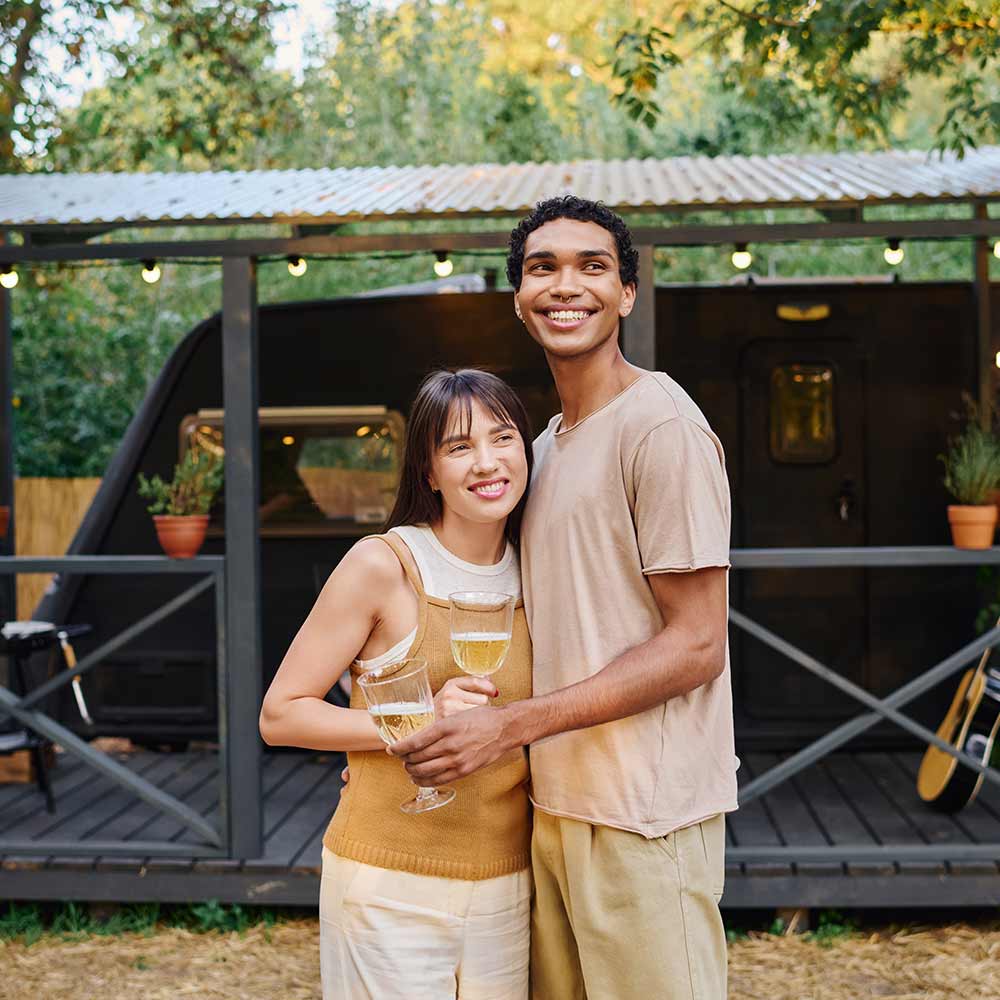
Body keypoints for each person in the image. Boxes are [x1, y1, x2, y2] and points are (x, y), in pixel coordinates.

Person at [393, 196, 738, 999]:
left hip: (645, 817)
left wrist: (512, 726)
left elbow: (697, 644)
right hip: (552, 807)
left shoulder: (661, 427)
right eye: (542, 267)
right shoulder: (540, 448)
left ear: (626, 294)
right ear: (519, 297)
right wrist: (387, 742)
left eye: (593, 266)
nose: (565, 285)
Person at [259, 368, 535, 1000]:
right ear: (428, 472)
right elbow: (281, 714)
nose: (486, 462)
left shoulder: (543, 567)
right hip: (390, 883)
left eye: (502, 438)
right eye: (459, 446)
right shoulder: (383, 564)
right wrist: (414, 723)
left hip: (509, 881)